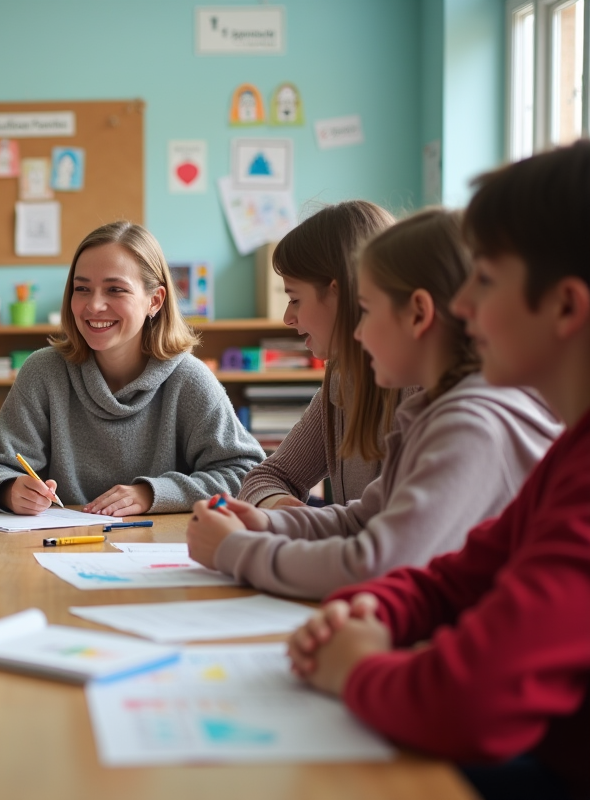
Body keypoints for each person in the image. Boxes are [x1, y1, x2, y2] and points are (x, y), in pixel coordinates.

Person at [286, 143, 590, 800]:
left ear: (566, 307)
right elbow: (459, 577)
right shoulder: (572, 452)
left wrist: (356, 668)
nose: (464, 307)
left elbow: (472, 701)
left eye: (484, 280)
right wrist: (374, 610)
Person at [187, 209, 560, 600]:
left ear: (418, 314)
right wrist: (267, 523)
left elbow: (378, 565)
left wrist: (234, 550)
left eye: (366, 310)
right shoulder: (432, 412)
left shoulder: (469, 422)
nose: (359, 331)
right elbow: (364, 517)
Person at [0, 221, 264, 516]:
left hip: (158, 549)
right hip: (57, 546)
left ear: (155, 301)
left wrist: (153, 494)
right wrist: (9, 490)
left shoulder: (189, 379)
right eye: (82, 288)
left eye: (115, 289)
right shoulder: (43, 371)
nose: (94, 305)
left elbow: (244, 473)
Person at [238, 201, 402, 510]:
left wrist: (304, 526)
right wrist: (288, 512)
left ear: (338, 292)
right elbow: (267, 477)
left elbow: (386, 528)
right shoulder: (341, 381)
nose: (288, 318)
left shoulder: (421, 389)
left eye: (295, 299)